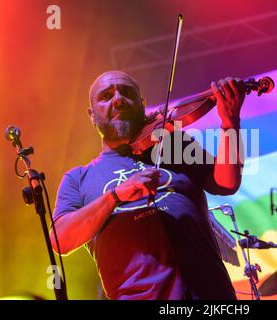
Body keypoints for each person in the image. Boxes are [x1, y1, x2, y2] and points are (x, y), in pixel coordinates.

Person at [50, 70, 246, 300]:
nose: (118, 100)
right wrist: (115, 196)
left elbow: (227, 183)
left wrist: (230, 121)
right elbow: (60, 240)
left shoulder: (176, 146)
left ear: (142, 104)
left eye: (126, 92)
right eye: (106, 96)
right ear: (91, 115)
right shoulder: (78, 178)